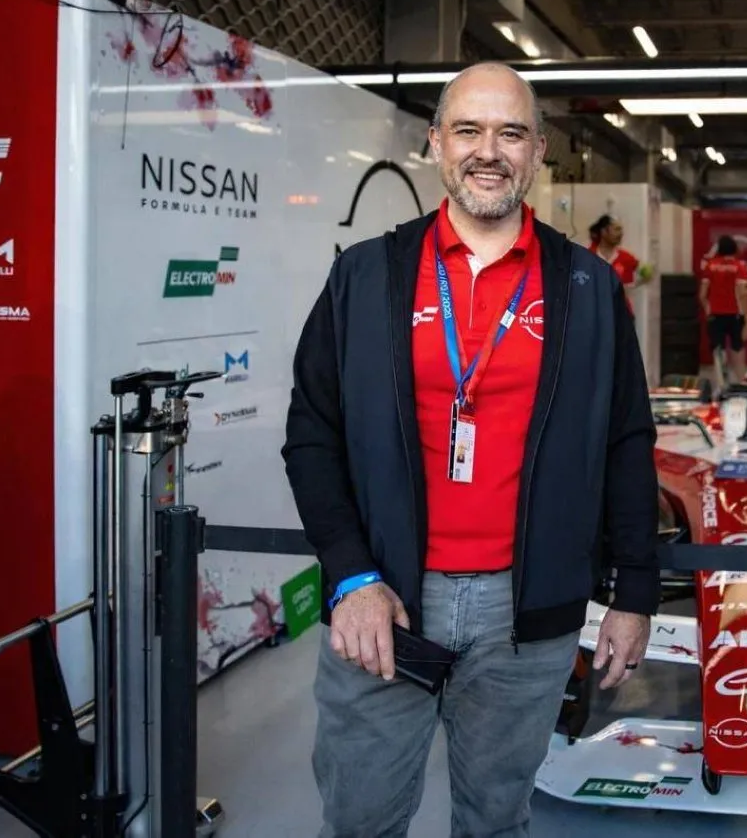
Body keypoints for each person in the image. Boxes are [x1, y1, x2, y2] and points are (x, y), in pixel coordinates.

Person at [281, 61, 660, 838]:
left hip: (526, 612)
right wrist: (352, 575)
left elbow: (626, 442)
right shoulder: (364, 275)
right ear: (435, 143)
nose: (488, 151)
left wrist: (634, 593)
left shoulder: (588, 288)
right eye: (468, 130)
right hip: (382, 600)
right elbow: (311, 435)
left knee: (496, 820)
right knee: (358, 821)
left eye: (511, 133)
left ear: (538, 151)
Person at [699, 234, 747, 388]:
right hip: (735, 315)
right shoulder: (740, 267)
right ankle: (742, 385)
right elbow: (742, 294)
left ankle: (721, 387)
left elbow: (702, 295)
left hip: (715, 315)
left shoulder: (710, 266)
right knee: (738, 350)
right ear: (734, 249)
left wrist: (708, 309)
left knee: (718, 351)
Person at [588, 214, 653, 314]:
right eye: (617, 229)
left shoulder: (627, 258)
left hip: (621, 314)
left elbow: (648, 274)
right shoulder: (588, 256)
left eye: (621, 230)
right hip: (594, 314)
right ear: (604, 231)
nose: (621, 233)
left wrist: (631, 286)